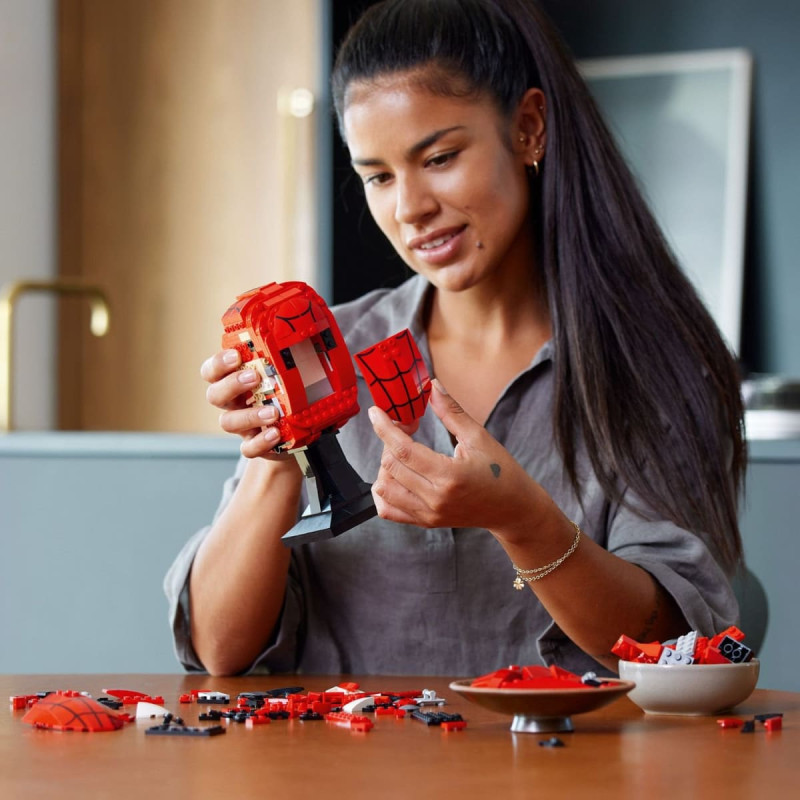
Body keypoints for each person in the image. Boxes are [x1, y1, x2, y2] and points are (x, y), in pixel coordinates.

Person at [164, 0, 746, 678]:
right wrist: (274, 457)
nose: (409, 208)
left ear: (528, 129)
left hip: (564, 752)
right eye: (378, 176)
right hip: (342, 749)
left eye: (439, 157)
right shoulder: (330, 349)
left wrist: (525, 523)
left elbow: (678, 646)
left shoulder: (651, 366)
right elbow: (219, 650)